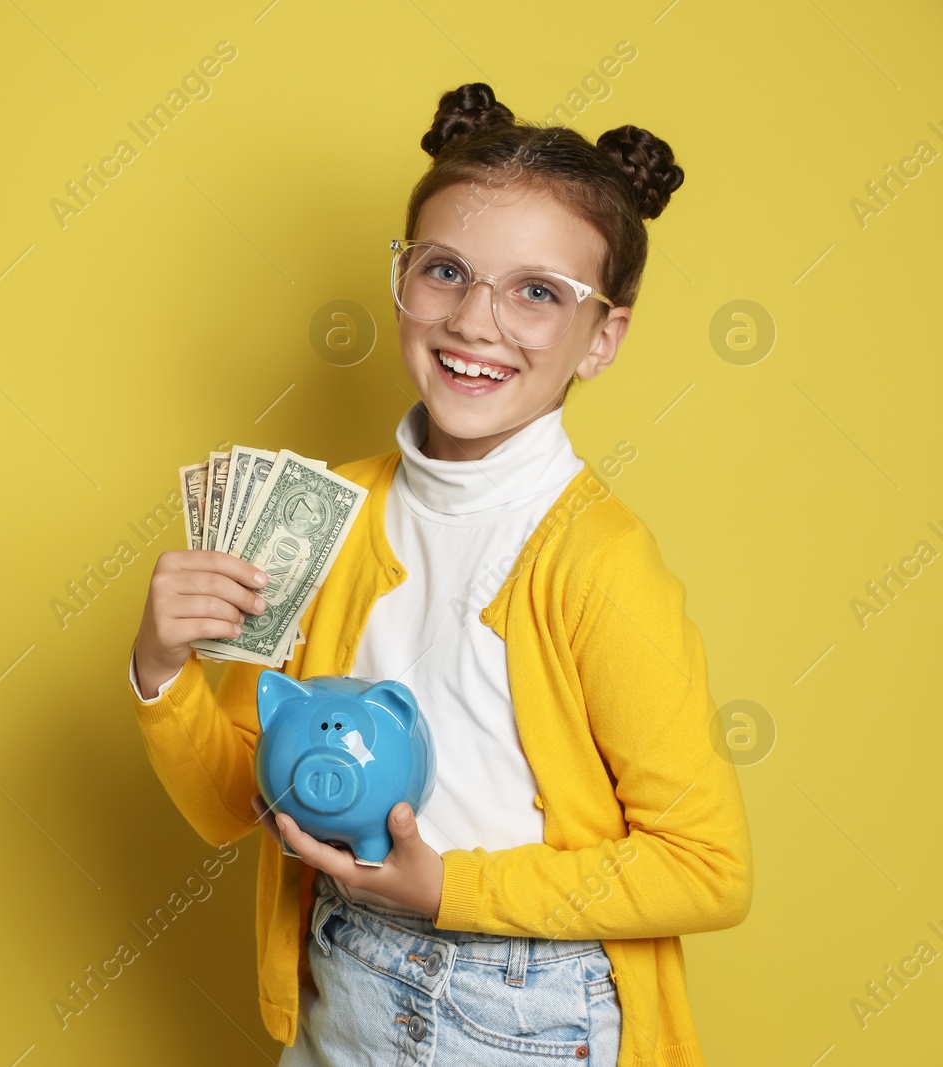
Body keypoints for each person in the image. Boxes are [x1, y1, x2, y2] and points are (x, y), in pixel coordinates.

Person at [126, 82, 752, 1065]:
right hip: (344, 985)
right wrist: (161, 672)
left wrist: (446, 891)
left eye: (538, 291)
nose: (474, 319)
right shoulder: (324, 518)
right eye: (445, 270)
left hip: (529, 1011)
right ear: (400, 279)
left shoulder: (599, 563)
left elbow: (707, 869)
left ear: (602, 338)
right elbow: (233, 799)